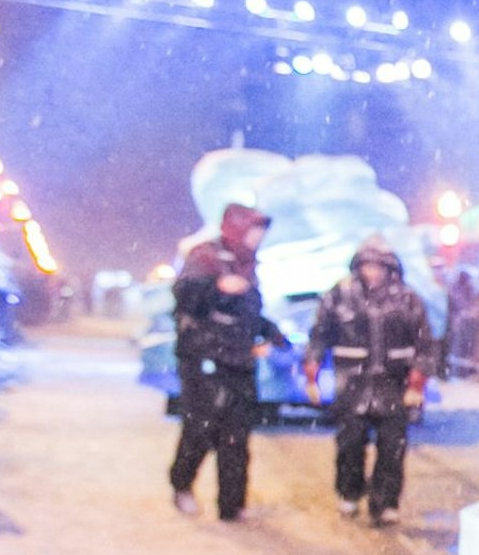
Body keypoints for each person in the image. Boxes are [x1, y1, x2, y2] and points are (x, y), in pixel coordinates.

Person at [167, 201, 285, 519]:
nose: (258, 238)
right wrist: (215, 287)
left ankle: (232, 504)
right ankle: (182, 486)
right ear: (238, 228)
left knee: (236, 433)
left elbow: (246, 312)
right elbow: (185, 297)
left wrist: (269, 331)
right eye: (254, 230)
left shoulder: (249, 265)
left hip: (239, 360)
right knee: (201, 427)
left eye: (261, 232)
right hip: (204, 358)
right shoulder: (206, 256)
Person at [303, 240, 435, 524]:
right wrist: (312, 372)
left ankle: (385, 501)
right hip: (352, 383)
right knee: (350, 443)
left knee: (392, 447)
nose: (372, 273)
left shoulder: (407, 299)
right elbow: (320, 334)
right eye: (367, 266)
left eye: (378, 267)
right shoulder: (339, 295)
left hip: (392, 383)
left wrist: (416, 384)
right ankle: (349, 493)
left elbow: (424, 343)